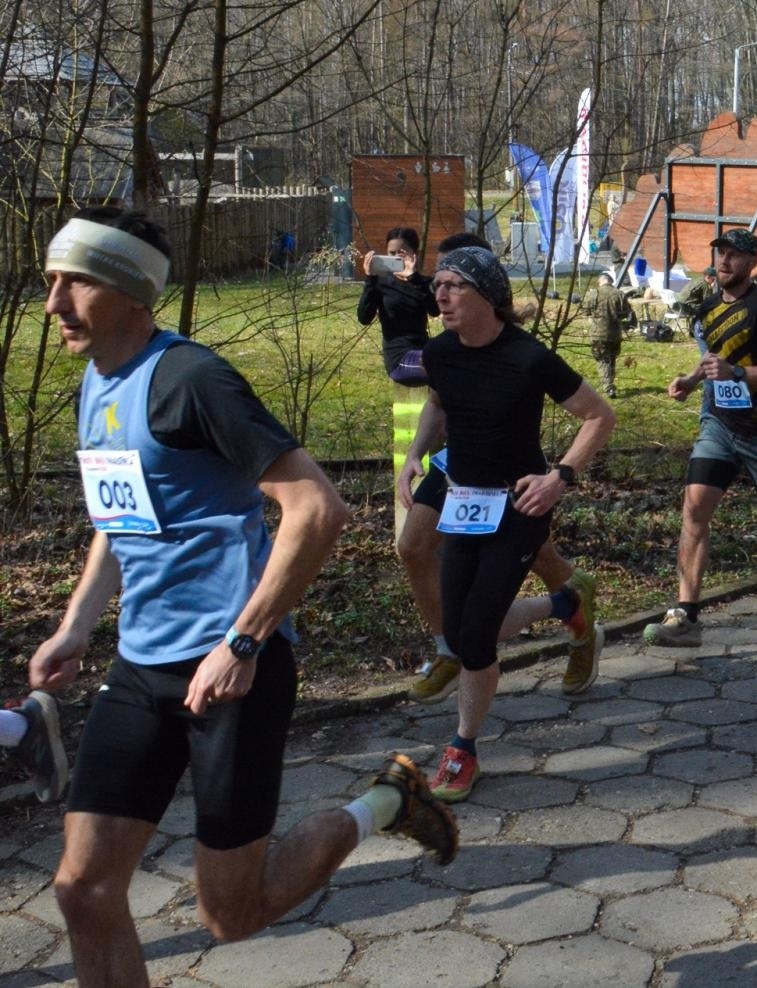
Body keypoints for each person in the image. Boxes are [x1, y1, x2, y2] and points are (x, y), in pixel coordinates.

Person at [33, 208, 458, 984]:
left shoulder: (192, 380)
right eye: (52, 280)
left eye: (76, 282)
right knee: (84, 889)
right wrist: (75, 627)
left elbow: (317, 509)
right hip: (139, 671)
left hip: (232, 674)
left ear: (131, 290)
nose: (54, 302)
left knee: (231, 914)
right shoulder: (96, 385)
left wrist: (243, 641)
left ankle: (386, 803)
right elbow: (121, 518)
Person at [399, 246, 616, 800]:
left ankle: (462, 748)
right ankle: (566, 604)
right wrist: (415, 454)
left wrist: (559, 478)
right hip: (463, 502)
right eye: (438, 286)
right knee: (461, 626)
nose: (441, 295)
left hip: (520, 506)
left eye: (454, 286)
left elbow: (599, 415)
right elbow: (441, 406)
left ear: (488, 296)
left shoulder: (528, 357)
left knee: (474, 637)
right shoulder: (441, 353)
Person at [645, 230, 757, 646]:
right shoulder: (708, 307)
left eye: (734, 256)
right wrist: (690, 380)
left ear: (752, 262)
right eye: (720, 253)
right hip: (720, 425)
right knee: (695, 506)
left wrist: (738, 374)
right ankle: (685, 615)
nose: (724, 261)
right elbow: (714, 358)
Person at [358, 226, 437, 385]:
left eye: (401, 254)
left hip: (424, 350)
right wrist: (370, 280)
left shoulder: (422, 283)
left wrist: (413, 278)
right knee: (440, 367)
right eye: (391, 254)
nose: (395, 258)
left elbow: (434, 310)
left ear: (414, 254)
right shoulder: (381, 283)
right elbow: (364, 318)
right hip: (399, 357)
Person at [581, 272, 630, 398]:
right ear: (611, 281)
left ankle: (608, 387)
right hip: (615, 333)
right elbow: (626, 313)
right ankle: (610, 382)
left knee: (602, 360)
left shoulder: (592, 294)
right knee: (611, 359)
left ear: (600, 281)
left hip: (598, 333)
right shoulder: (619, 294)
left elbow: (585, 311)